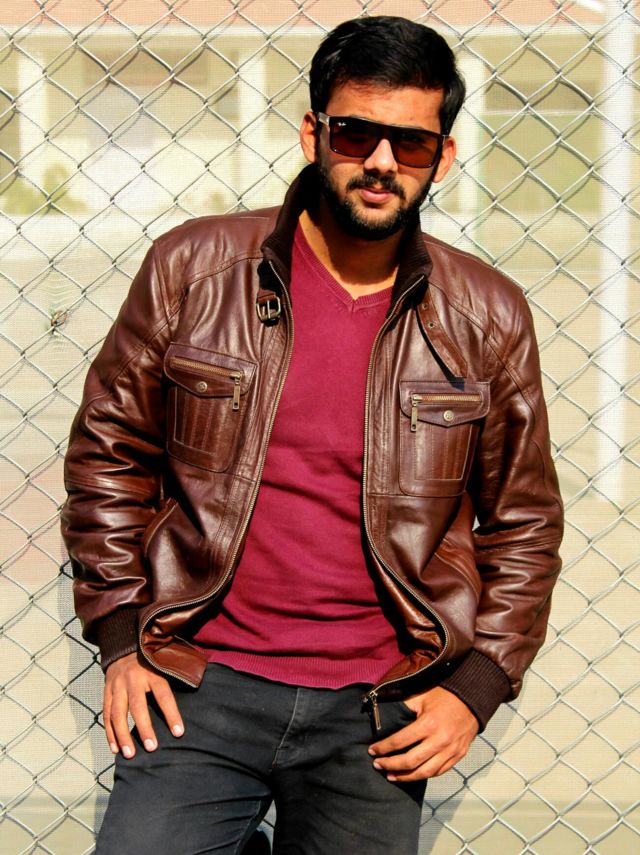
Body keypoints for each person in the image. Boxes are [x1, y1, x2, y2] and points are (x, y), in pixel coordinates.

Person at [61, 15, 563, 855]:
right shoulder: (194, 269)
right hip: (196, 682)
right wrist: (120, 638)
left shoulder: (487, 316)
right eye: (357, 133)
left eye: (410, 143)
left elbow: (525, 521)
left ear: (442, 156)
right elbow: (108, 453)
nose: (381, 161)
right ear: (314, 134)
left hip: (381, 704)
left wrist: (477, 685)